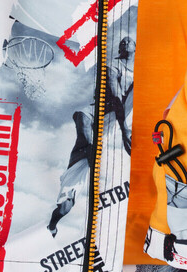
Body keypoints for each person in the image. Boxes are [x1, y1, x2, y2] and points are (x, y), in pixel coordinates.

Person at [48, 106, 94, 237]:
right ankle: (52, 226)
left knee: (64, 209)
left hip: (77, 164)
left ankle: (51, 226)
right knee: (88, 143)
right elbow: (78, 115)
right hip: (81, 158)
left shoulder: (70, 185)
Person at [105, 36, 135, 155]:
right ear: (119, 49)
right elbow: (116, 94)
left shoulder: (141, 65)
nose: (126, 43)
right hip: (116, 105)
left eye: (129, 41)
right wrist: (124, 129)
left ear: (135, 47)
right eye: (122, 42)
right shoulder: (113, 65)